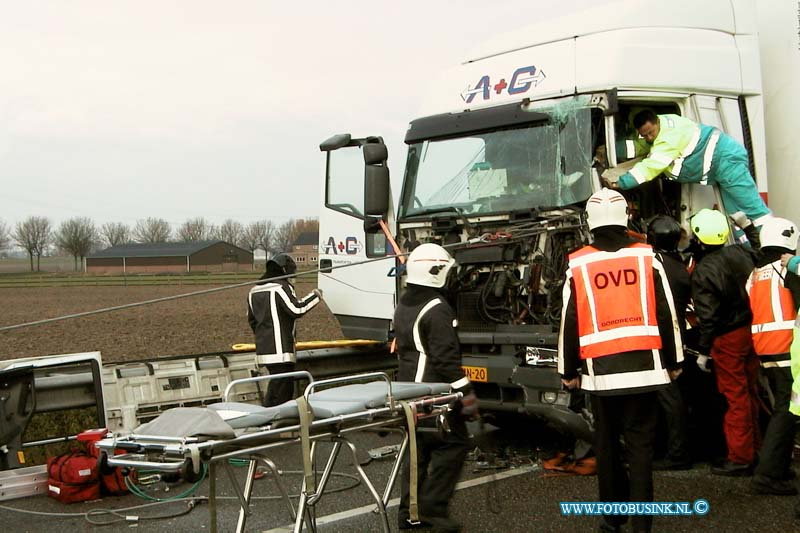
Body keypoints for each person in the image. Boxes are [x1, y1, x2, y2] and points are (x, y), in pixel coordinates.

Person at [558, 188, 683, 533]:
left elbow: (570, 321)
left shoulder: (578, 263)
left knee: (608, 448)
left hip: (601, 376)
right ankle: (642, 526)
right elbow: (666, 313)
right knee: (641, 450)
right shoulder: (647, 257)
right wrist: (674, 361)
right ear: (626, 217)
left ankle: (613, 520)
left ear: (590, 223)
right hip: (645, 370)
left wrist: (568, 372)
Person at [394, 243, 477, 532]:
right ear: (436, 272)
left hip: (407, 390)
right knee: (455, 444)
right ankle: (432, 510)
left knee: (417, 453)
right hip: (432, 394)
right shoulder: (437, 308)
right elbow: (445, 360)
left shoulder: (405, 301)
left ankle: (409, 513)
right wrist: (466, 395)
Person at [689, 208, 761, 476]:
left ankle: (740, 457)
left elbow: (708, 318)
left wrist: (703, 352)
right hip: (749, 331)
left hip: (727, 339)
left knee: (735, 397)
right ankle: (756, 448)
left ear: (699, 239)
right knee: (751, 392)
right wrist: (749, 227)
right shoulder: (740, 254)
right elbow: (763, 252)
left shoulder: (703, 271)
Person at [613, 110, 770, 223]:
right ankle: (750, 249)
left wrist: (620, 182)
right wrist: (613, 149)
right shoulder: (663, 124)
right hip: (720, 167)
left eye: (650, 133)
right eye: (644, 135)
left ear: (656, 122)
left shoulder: (669, 138)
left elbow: (649, 168)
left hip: (726, 162)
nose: (648, 137)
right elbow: (643, 145)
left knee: (754, 210)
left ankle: (775, 249)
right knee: (736, 215)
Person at [746, 217, 800, 495]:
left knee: (783, 411)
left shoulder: (756, 274)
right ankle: (767, 475)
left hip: (766, 349)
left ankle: (776, 468)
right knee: (786, 413)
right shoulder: (785, 269)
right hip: (789, 348)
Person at [646, 215, 692, 471]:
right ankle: (670, 449)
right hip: (675, 336)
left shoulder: (658, 266)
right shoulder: (678, 264)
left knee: (669, 398)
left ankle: (677, 454)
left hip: (662, 339)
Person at [247, 253, 321, 406]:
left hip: (263, 349)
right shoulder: (280, 288)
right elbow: (296, 309)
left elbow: (252, 320)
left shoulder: (253, 291)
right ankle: (270, 424)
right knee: (281, 392)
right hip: (281, 350)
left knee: (278, 387)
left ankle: (274, 423)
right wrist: (315, 296)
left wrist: (264, 336)